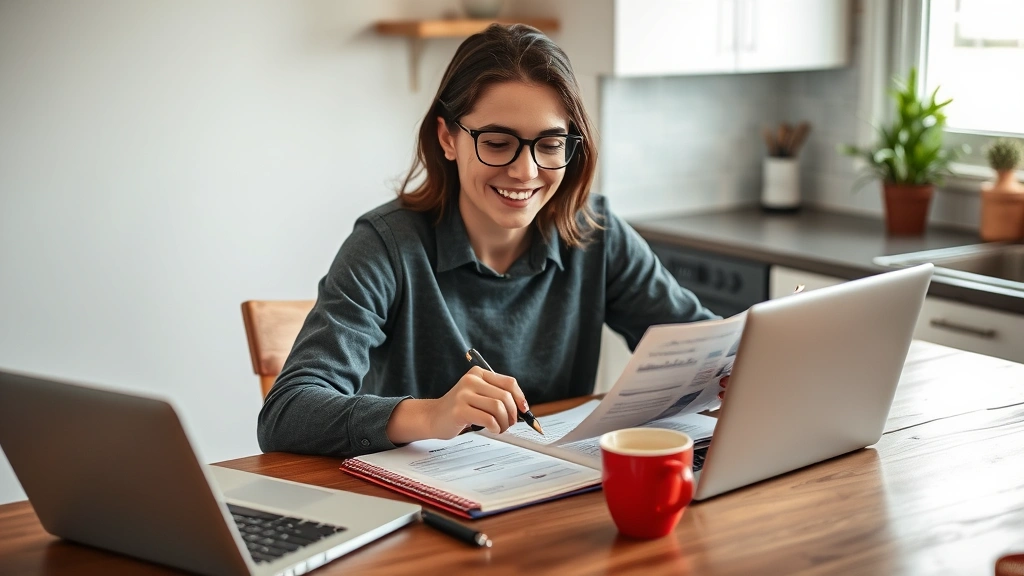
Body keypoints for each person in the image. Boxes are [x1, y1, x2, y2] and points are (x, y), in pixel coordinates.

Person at [257, 24, 719, 459]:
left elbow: (709, 350)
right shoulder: (385, 246)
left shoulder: (596, 232)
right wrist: (432, 413)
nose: (526, 171)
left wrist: (737, 368)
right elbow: (286, 413)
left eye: (550, 144)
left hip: (554, 499)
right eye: (497, 142)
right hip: (422, 518)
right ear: (448, 138)